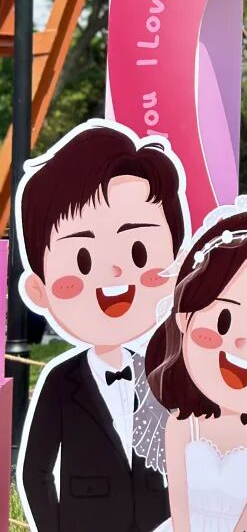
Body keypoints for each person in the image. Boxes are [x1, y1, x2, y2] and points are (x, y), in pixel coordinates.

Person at [15, 121, 188, 532]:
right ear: (39, 289)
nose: (114, 272)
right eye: (83, 259)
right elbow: (35, 471)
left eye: (139, 251)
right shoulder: (60, 380)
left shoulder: (157, 373)